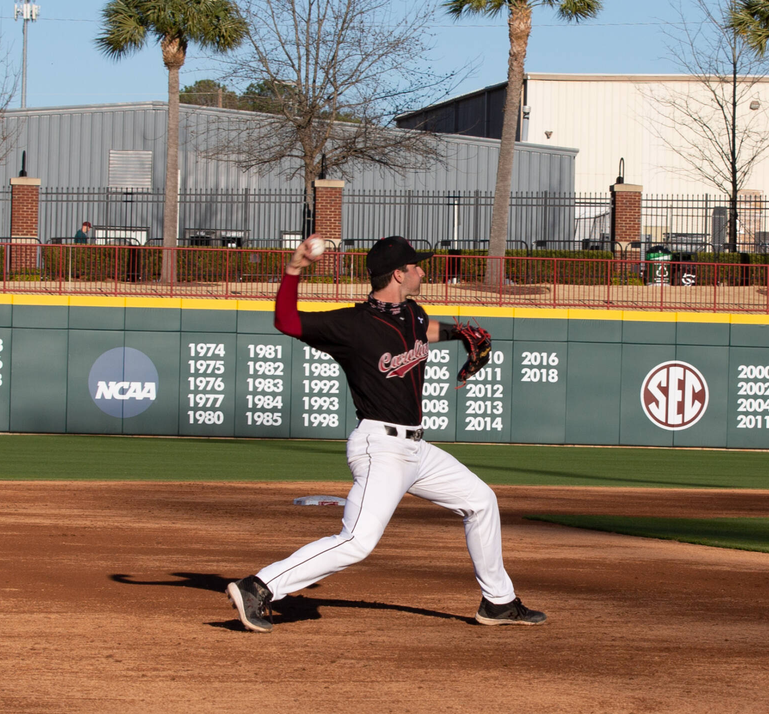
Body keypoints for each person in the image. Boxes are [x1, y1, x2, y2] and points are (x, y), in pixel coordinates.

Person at [225, 235, 546, 633]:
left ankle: (498, 602)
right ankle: (259, 586)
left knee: (481, 501)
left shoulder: (413, 313)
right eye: (416, 266)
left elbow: (423, 331)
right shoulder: (351, 324)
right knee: (358, 540)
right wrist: (294, 270)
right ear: (399, 273)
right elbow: (286, 321)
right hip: (380, 447)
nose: (423, 271)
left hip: (417, 449)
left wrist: (460, 334)